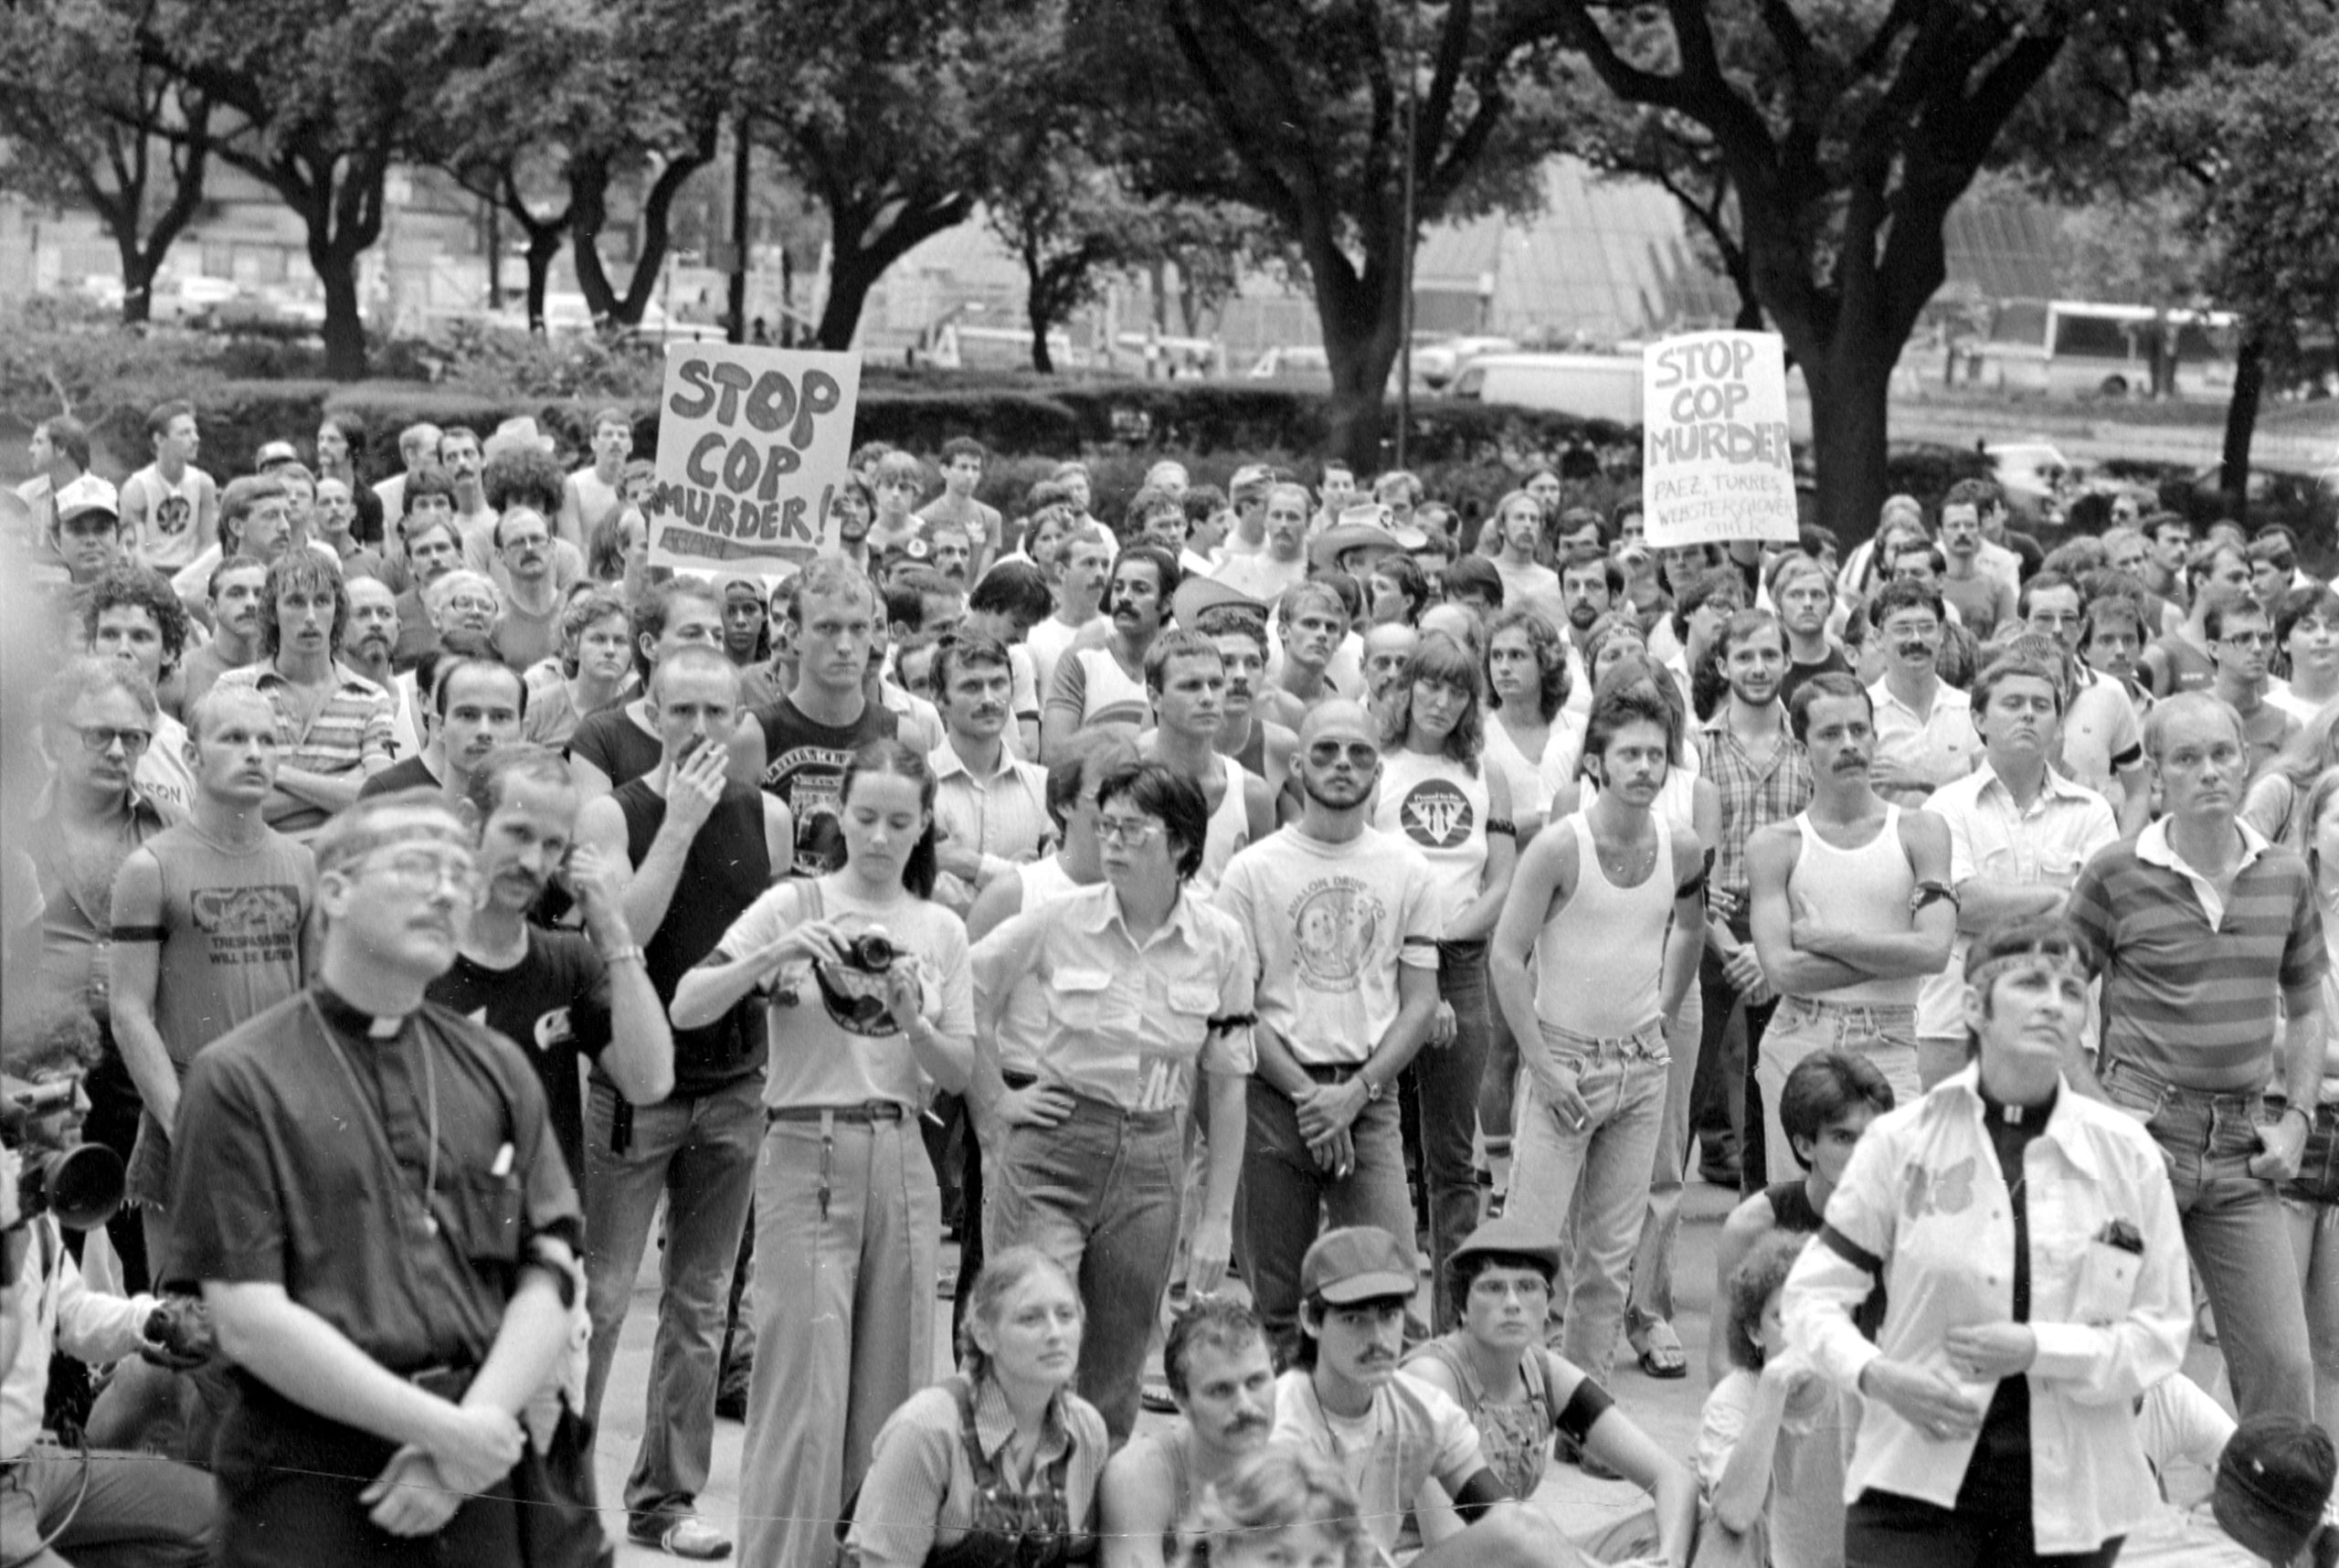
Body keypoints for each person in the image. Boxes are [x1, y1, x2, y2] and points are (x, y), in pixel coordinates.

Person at [163, 790, 587, 1563]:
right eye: (420, 867)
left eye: (462, 874)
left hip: (477, 1449)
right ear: (335, 892)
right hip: (315, 1470)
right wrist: (436, 1431)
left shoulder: (496, 1069)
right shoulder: (240, 1077)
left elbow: (550, 1266)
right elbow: (248, 1317)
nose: (449, 891)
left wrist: (465, 1439)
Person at [1783, 915, 2190, 1568]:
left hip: (2070, 1498)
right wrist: (1876, 1375)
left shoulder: (2127, 1157)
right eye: (2031, 983)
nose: (2055, 1004)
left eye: (2073, 991)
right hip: (1913, 1482)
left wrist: (2039, 1348)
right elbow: (1810, 1300)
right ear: (1974, 1006)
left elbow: (2164, 1332)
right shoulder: (1903, 1142)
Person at [670, 739, 973, 1568]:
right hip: (807, 1141)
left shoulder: (940, 926)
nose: (879, 837)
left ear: (922, 828)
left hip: (902, 1144)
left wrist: (914, 1020)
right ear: (839, 812)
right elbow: (688, 1005)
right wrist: (773, 958)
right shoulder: (793, 903)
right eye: (865, 817)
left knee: (895, 1385)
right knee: (800, 1390)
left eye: (899, 822)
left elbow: (962, 1069)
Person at [573, 647, 792, 1559]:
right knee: (604, 1299)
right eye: (682, 712)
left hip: (733, 1083)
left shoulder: (768, 816)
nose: (701, 730)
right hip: (635, 1087)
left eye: (718, 712)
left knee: (701, 1305)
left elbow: (769, 945)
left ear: (741, 717)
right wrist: (678, 825)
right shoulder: (611, 811)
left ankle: (664, 1499)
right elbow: (620, 933)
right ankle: (561, 1491)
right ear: (651, 714)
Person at [971, 760, 1254, 1440]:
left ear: (1183, 843)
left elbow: (1228, 1078)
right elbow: (967, 989)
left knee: (1118, 1360)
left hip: (1154, 1158)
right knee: (1031, 1335)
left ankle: (1090, 1527)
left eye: (1134, 830)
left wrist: (1216, 1217)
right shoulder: (1055, 920)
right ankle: (1003, 1521)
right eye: (1108, 827)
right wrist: (993, 1104)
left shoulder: (1220, 940)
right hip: (1056, 1146)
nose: (1114, 843)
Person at [2068, 691, 2325, 1424]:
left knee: (2283, 1365)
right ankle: (2116, 1530)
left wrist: (2298, 1119)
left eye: (2222, 754)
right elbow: (2053, 999)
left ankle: (2271, 1535)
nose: (2209, 772)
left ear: (2246, 762)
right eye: (2187, 758)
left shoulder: (2285, 875)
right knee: (2114, 1358)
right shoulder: (2115, 872)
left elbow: (2306, 1006)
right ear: (2157, 772)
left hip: (2245, 1149)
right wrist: (2100, 1112)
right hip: (2138, 1140)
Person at [1491, 678, 1703, 1389]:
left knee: (1611, 1257)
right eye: (1630, 754)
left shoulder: (1681, 844)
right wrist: (1543, 1066)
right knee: (1527, 1249)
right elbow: (1506, 956)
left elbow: (1691, 928)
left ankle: (1582, 1404)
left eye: (1657, 755)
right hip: (1565, 1061)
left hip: (1642, 1065)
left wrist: (1665, 1012)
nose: (1645, 768)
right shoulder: (1559, 847)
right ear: (1597, 763)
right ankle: (1508, 1397)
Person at [1213, 702, 1442, 1353]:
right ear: (1296, 764)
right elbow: (1235, 1008)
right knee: (1277, 1306)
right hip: (1272, 1098)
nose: (1343, 765)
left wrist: (1354, 1095)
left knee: (1388, 1281)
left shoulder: (1408, 869)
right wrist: (1312, 1100)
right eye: (1326, 751)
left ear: (1378, 770)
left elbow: (1420, 1004)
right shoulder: (1252, 871)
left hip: (1369, 1099)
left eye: (1359, 754)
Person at [2, 1007, 218, 1568]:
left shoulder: (35, 1196)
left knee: (213, 1520)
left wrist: (154, 1319)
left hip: (32, 1466)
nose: (87, 1105)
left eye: (85, 1084)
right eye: (62, 1090)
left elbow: (71, 1316)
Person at [108, 683, 315, 1270]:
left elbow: (315, 1004)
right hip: (185, 1105)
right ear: (193, 757)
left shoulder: (302, 863)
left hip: (276, 1110)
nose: (255, 753)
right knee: (187, 1331)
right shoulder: (150, 867)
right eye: (234, 738)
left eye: (268, 741)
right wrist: (185, 1128)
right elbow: (129, 1013)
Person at [430, 744, 673, 1201]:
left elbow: (650, 1081)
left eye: (552, 844)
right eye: (518, 833)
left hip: (542, 1238)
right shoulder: (417, 956)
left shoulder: (565, 961)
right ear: (470, 823)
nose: (531, 862)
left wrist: (615, 935)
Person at [1268, 1226, 1585, 1567]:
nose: (1377, 1338)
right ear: (1311, 1321)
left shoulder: (1421, 1409)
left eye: (1388, 1316)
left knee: (1524, 1529)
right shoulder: (1276, 1423)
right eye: (1353, 1319)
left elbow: (1507, 1521)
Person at [1748, 673, 1953, 1181]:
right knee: (1799, 1209)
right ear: (1801, 748)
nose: (1850, 746)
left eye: (1860, 731)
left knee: (1896, 1203)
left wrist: (1827, 940)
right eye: (1831, 734)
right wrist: (1890, 954)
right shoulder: (1775, 844)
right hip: (1800, 1032)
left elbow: (1934, 950)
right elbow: (1784, 971)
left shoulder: (1921, 830)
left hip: (1891, 1037)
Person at [1405, 1216, 1699, 1567]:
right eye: (1493, 1287)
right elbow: (1452, 1539)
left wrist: (1671, 1560)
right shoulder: (1432, 1376)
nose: (1512, 1303)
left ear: (1547, 1305)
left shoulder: (1543, 1373)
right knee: (1525, 1531)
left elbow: (1672, 1478)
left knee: (1702, 1520)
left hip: (1521, 1551)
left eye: (1528, 1287)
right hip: (1423, 1559)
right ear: (1462, 1308)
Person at [1374, 634, 1517, 1330]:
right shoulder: (1374, 764)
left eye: (1457, 690)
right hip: (1381, 962)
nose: (1440, 701)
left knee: (1452, 1155)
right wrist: (1414, 954)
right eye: (1429, 685)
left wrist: (1448, 939)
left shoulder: (1485, 771)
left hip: (1459, 964)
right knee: (1375, 1143)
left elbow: (1504, 877)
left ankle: (1455, 1323)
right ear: (1405, 689)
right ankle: (1384, 1315)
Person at [29, 658, 179, 1292]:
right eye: (98, 734)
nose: (118, 751)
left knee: (141, 1234)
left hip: (135, 1054)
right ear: (55, 738)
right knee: (33, 1234)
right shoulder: (15, 825)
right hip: (37, 1058)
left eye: (134, 737)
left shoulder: (167, 828)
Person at [1913, 652, 2119, 1091]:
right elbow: (1961, 903)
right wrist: (2058, 897)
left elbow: (2096, 919)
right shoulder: (1946, 807)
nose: (2028, 714)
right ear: (1979, 719)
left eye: (2041, 706)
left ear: (2058, 723)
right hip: (1956, 1023)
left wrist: (2003, 902)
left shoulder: (2092, 810)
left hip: (2062, 1025)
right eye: (2012, 703)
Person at [843, 1248, 1107, 1568]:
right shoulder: (928, 1429)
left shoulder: (1086, 1430)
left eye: (1066, 1315)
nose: (1055, 1334)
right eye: (1030, 1318)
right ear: (984, 1335)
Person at [732, 559, 905, 874]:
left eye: (858, 628)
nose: (844, 646)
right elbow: (733, 870)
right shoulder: (753, 736)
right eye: (827, 628)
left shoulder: (902, 735)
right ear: (795, 634)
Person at [212, 555, 397, 839]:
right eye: (296, 602)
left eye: (322, 601)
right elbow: (228, 804)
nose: (310, 617)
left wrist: (279, 774)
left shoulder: (372, 698)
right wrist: (342, 788)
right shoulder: (233, 688)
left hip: (340, 862)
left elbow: (377, 799)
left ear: (338, 611)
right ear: (272, 611)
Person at [1697, 1231, 1847, 1568]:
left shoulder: (1853, 1391)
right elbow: (1735, 1513)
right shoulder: (1732, 1401)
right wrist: (1775, 1386)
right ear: (1754, 1331)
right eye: (1783, 1318)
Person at [1097, 1296, 1278, 1568]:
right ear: (1181, 1400)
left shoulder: (1297, 1458)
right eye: (1221, 1390)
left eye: (1256, 1382)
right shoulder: (1139, 1476)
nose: (1245, 1405)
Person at [2283, 766, 2339, 1449]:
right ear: (2315, 825)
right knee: (2277, 1346)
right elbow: (2263, 1034)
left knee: (2332, 1345)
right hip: (2291, 1119)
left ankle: (2324, 1500)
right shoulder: (2281, 905)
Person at [1138, 631, 1275, 893]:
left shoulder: (1253, 795)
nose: (1207, 698)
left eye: (1215, 684)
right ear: (1155, 697)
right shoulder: (1122, 784)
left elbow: (1261, 895)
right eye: (1190, 686)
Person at [928, 629, 1053, 916]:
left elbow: (1050, 888)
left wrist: (968, 866)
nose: (988, 699)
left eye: (998, 684)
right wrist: (1016, 876)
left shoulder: (1041, 784)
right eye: (971, 687)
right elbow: (925, 889)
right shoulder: (916, 783)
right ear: (938, 697)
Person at [570, 577, 726, 802]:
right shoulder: (600, 735)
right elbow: (595, 833)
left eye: (718, 636)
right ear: (649, 645)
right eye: (692, 634)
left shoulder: (736, 730)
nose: (711, 646)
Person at [1045, 544, 1179, 760]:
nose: (1124, 598)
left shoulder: (1179, 667)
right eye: (1118, 588)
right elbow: (1055, 755)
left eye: (1140, 589)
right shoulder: (1080, 659)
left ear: (1165, 604)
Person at [83, 565, 197, 814]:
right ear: (92, 647)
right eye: (110, 635)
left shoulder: (189, 753)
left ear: (168, 651)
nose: (123, 649)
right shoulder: (66, 741)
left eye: (140, 637)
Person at [1864, 579, 1978, 808]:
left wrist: (1927, 781)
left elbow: (1991, 796)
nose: (1916, 639)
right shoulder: (1863, 712)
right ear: (1878, 639)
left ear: (1942, 632)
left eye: (1926, 628)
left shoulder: (1970, 711)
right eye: (1903, 629)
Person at [359, 655, 524, 802]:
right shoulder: (386, 796)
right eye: (468, 715)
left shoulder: (545, 808)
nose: (484, 731)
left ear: (525, 730)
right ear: (439, 727)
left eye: (500, 717)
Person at [524, 588, 635, 750]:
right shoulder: (536, 710)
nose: (610, 650)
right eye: (598, 639)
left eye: (620, 641)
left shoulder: (641, 709)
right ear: (574, 647)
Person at [2142, 541, 2252, 698]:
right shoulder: (2164, 654)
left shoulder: (2252, 649)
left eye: (2249, 579)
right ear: (2201, 582)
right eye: (2235, 578)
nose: (2247, 588)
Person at [118, 399, 217, 573]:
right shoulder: (137, 488)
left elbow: (207, 544)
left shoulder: (204, 484)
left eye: (195, 432)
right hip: (149, 571)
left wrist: (190, 578)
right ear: (159, 439)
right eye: (184, 433)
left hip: (190, 570)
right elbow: (136, 549)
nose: (195, 439)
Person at [2206, 595, 2301, 774]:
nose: (2257, 648)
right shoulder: (2183, 714)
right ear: (2214, 649)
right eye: (2242, 639)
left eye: (2265, 638)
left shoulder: (2287, 726)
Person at [179, 554, 270, 711]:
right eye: (236, 593)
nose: (251, 603)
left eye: (259, 594)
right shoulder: (184, 673)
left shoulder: (285, 669)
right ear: (211, 606)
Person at [1210, 482, 1307, 603]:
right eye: (1276, 516)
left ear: (1307, 523)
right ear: (1265, 520)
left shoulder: (1314, 573)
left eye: (1293, 517)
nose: (1283, 524)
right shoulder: (1237, 568)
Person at [559, 407, 633, 552]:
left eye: (622, 435)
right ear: (593, 442)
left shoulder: (642, 486)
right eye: (608, 434)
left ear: (630, 445)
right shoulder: (573, 486)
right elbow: (573, 548)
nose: (615, 440)